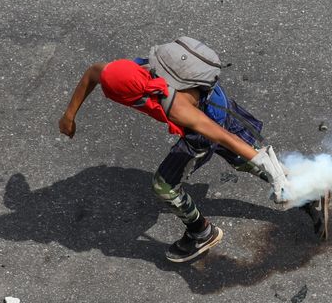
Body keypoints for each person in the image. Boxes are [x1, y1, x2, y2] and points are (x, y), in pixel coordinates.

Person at [58, 37, 290, 263]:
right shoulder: (120, 72)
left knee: (164, 186)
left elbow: (222, 135)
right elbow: (93, 73)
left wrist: (272, 169)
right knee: (237, 158)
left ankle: (202, 233)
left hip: (208, 118)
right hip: (211, 99)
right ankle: (305, 186)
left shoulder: (175, 106)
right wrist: (69, 115)